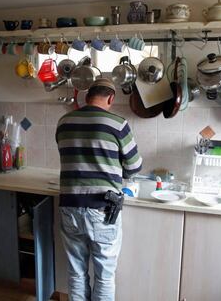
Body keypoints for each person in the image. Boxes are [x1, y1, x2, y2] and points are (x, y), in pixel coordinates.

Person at [56, 78, 142, 301]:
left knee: (76, 271)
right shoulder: (117, 124)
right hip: (103, 209)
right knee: (104, 275)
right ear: (111, 98)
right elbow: (134, 167)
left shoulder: (64, 122)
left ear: (86, 96)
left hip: (70, 206)